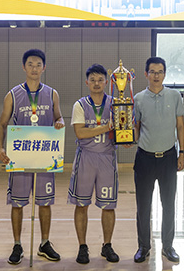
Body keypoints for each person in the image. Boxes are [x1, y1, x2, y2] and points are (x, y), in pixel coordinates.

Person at [0, 49, 65, 264]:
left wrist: (60, 122)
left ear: (44, 68)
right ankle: (17, 245)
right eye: (30, 64)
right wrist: (0, 148)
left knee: (45, 203)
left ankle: (44, 243)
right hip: (21, 157)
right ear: (23, 67)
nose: (34, 68)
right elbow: (2, 124)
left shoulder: (52, 94)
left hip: (45, 157)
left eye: (38, 65)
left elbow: (59, 117)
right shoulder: (13, 94)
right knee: (17, 204)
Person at [132, 56, 184, 264]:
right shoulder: (138, 99)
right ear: (146, 74)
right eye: (152, 72)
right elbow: (136, 127)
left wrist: (182, 153)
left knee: (169, 204)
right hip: (144, 159)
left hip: (168, 158)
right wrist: (128, 138)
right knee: (143, 206)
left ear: (165, 74)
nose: (156, 76)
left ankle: (168, 246)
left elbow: (180, 126)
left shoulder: (174, 96)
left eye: (160, 72)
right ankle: (143, 247)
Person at [67, 64, 120, 264]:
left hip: (107, 158)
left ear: (106, 82)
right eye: (92, 80)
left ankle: (107, 245)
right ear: (87, 82)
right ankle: (82, 246)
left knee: (108, 206)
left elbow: (123, 129)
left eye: (100, 80)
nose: (96, 83)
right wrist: (106, 127)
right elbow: (80, 132)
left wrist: (126, 138)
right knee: (81, 205)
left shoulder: (116, 104)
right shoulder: (80, 105)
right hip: (86, 159)